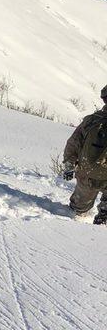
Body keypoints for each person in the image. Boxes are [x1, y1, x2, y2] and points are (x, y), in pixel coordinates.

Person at [63, 84, 107, 226]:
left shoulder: (91, 120)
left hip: (87, 173)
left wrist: (69, 165)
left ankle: (69, 223)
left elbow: (73, 143)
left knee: (77, 210)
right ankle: (102, 220)